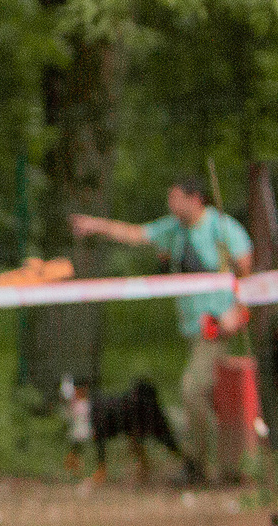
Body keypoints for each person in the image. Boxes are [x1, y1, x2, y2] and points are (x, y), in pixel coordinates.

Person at [70, 178, 256, 484]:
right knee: (210, 396)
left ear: (196, 199)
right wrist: (95, 226)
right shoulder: (174, 229)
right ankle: (227, 464)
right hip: (192, 327)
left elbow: (246, 269)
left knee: (191, 389)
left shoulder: (222, 227)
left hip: (216, 327)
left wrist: (236, 310)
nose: (171, 205)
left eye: (176, 198)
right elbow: (136, 234)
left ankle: (198, 465)